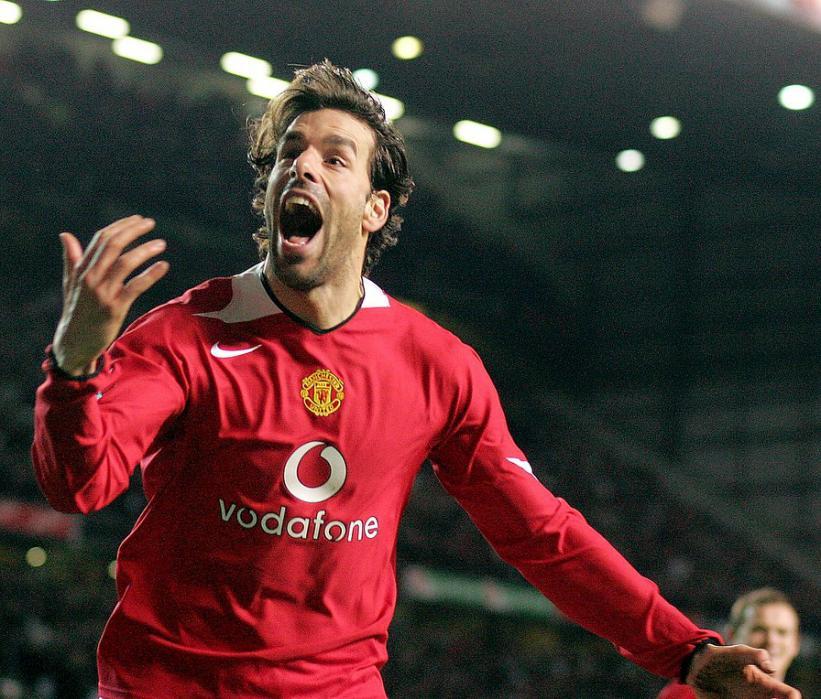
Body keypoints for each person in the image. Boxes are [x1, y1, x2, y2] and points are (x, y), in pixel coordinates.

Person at [32, 60, 801, 698]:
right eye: (289, 152)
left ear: (374, 209)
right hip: (166, 686)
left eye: (334, 156)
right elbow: (81, 484)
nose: (301, 164)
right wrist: (75, 367)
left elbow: (541, 534)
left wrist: (685, 650)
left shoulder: (435, 363)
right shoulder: (187, 330)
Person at [658, 588, 801, 698]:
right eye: (759, 629)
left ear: (796, 644)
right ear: (732, 635)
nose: (771, 640)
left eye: (782, 632)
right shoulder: (696, 689)